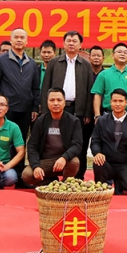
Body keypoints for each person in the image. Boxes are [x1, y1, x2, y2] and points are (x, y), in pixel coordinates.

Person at [41, 31, 94, 179]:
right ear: (63, 44)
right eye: (68, 41)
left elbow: (90, 89)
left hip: (77, 109)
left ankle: (78, 177)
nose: (71, 43)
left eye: (74, 41)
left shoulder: (86, 64)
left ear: (80, 45)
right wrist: (45, 110)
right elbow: (46, 87)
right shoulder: (54, 62)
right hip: (56, 109)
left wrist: (87, 112)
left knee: (79, 143)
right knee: (53, 141)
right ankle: (51, 175)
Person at [23, 88, 83, 187]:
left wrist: (64, 157)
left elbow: (77, 145)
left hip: (64, 160)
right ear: (47, 102)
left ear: (64, 102)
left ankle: (65, 185)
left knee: (74, 162)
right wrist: (36, 166)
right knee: (27, 175)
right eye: (52, 100)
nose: (55, 103)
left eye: (59, 100)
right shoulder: (40, 121)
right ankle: (50, 182)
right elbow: (32, 146)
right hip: (46, 161)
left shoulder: (73, 121)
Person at [0, 28, 40, 139]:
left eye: (22, 37)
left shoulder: (32, 63)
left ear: (26, 41)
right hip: (6, 108)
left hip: (25, 109)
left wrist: (35, 108)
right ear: (11, 40)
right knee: (4, 139)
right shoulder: (1, 60)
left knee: (20, 140)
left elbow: (35, 88)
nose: (19, 40)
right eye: (16, 37)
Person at [90, 89, 127, 194]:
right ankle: (102, 187)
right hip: (107, 163)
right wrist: (97, 153)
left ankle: (119, 183)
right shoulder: (102, 121)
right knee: (98, 162)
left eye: (121, 101)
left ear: (126, 102)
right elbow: (95, 141)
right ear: (110, 102)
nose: (117, 104)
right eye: (115, 101)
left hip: (125, 165)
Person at [91, 43, 127, 120]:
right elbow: (97, 95)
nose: (122, 54)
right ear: (113, 55)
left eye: (125, 52)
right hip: (108, 115)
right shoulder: (103, 74)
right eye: (119, 52)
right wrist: (97, 115)